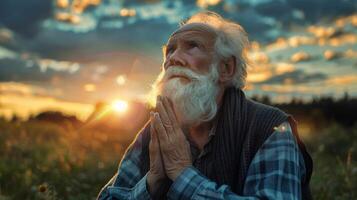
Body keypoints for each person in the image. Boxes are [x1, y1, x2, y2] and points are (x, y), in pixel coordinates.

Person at [97, 11, 313, 200]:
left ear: (226, 68)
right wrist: (152, 182)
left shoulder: (270, 128)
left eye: (192, 46)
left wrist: (183, 176)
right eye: (169, 51)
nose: (173, 58)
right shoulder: (156, 131)